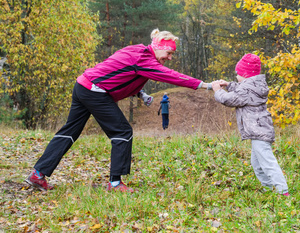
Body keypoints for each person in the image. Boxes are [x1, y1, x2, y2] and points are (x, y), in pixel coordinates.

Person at [26, 29, 213, 192]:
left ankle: (38, 173)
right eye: (169, 53)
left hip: (83, 85)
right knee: (122, 131)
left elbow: (119, 71)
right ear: (157, 46)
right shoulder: (144, 59)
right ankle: (115, 183)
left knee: (70, 131)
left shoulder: (136, 50)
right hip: (95, 91)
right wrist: (206, 85)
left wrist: (140, 93)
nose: (170, 58)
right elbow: (173, 77)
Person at [212, 53, 289, 196]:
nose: (236, 76)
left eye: (238, 74)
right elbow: (241, 89)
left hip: (259, 131)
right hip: (259, 131)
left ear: (245, 74)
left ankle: (282, 191)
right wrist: (228, 85)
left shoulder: (247, 89)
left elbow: (229, 100)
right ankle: (268, 189)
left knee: (267, 162)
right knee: (257, 164)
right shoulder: (254, 85)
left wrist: (218, 91)